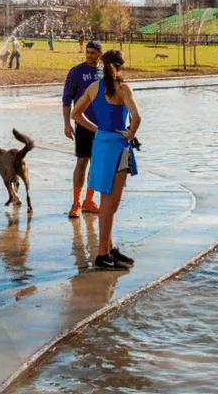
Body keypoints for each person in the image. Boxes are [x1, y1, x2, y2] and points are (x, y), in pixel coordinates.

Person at [72, 49, 141, 270]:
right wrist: (129, 134)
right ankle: (102, 254)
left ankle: (109, 249)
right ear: (121, 66)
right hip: (117, 147)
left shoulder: (94, 87)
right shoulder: (123, 88)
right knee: (111, 204)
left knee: (107, 202)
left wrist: (97, 129)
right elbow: (137, 117)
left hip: (100, 145)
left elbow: (75, 114)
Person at [63, 40, 103, 218]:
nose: (89, 56)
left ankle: (89, 200)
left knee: (97, 165)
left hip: (102, 128)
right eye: (87, 52)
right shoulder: (76, 71)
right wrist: (66, 123)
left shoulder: (105, 73)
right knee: (81, 162)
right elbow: (66, 98)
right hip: (83, 126)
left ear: (100, 55)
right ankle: (76, 202)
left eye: (93, 53)